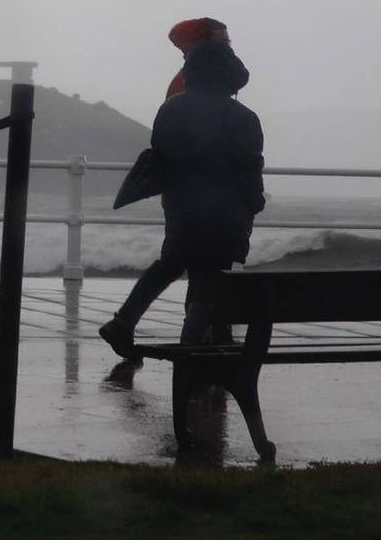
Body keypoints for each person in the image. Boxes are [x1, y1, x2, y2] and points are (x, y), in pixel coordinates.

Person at [99, 38, 266, 363]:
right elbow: (249, 167)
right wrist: (255, 200)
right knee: (210, 275)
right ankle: (195, 346)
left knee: (170, 263)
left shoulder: (170, 109)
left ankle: (124, 321)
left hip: (181, 206)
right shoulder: (244, 118)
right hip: (225, 214)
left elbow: (162, 155)